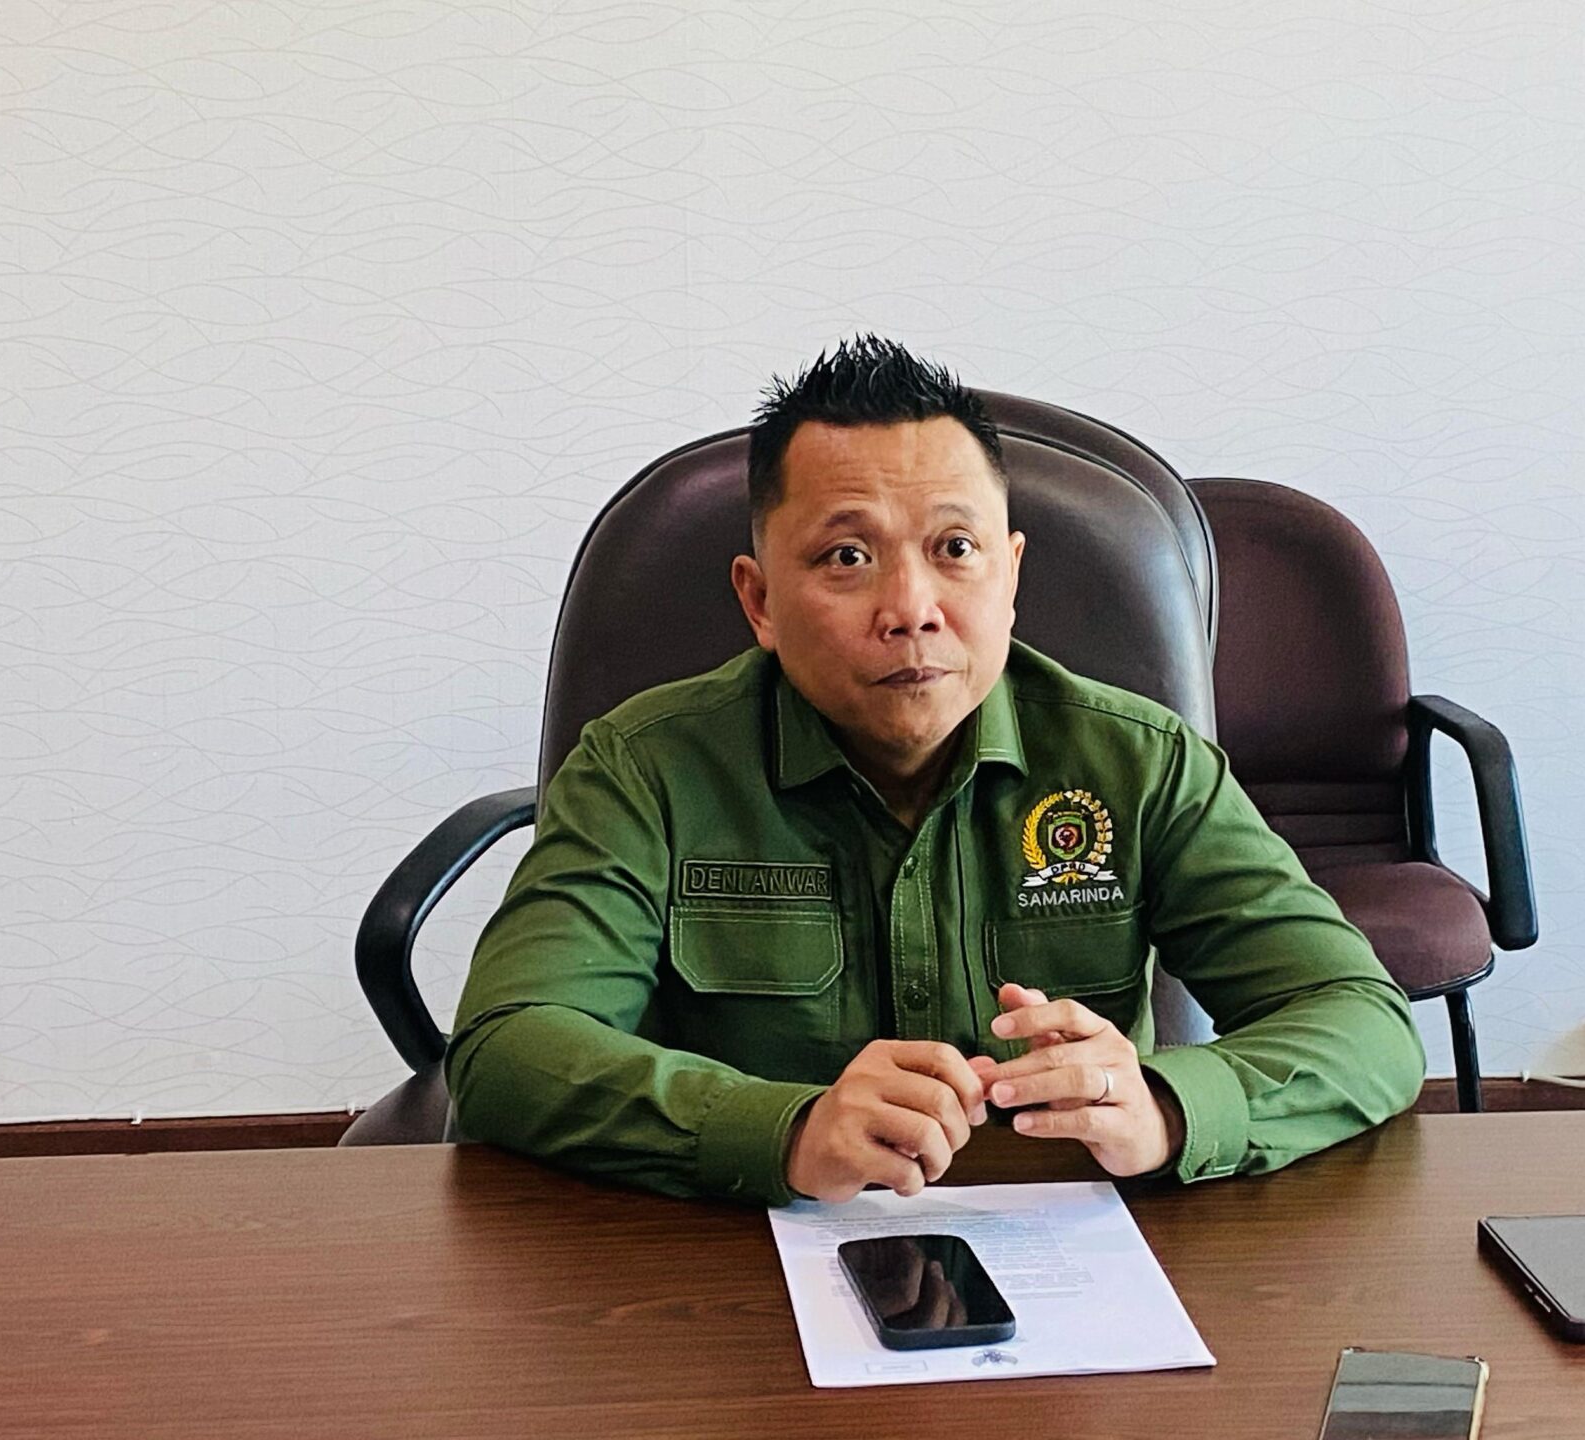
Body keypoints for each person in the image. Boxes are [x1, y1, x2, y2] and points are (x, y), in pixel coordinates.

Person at [447, 334, 1424, 1204]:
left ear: (1011, 574)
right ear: (760, 602)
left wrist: (1169, 1109)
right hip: (737, 1255)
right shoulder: (645, 768)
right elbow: (509, 1045)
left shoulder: (1141, 762)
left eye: (955, 548)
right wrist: (782, 1130)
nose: (911, 608)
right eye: (846, 557)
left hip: (1075, 1248)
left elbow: (1361, 1020)